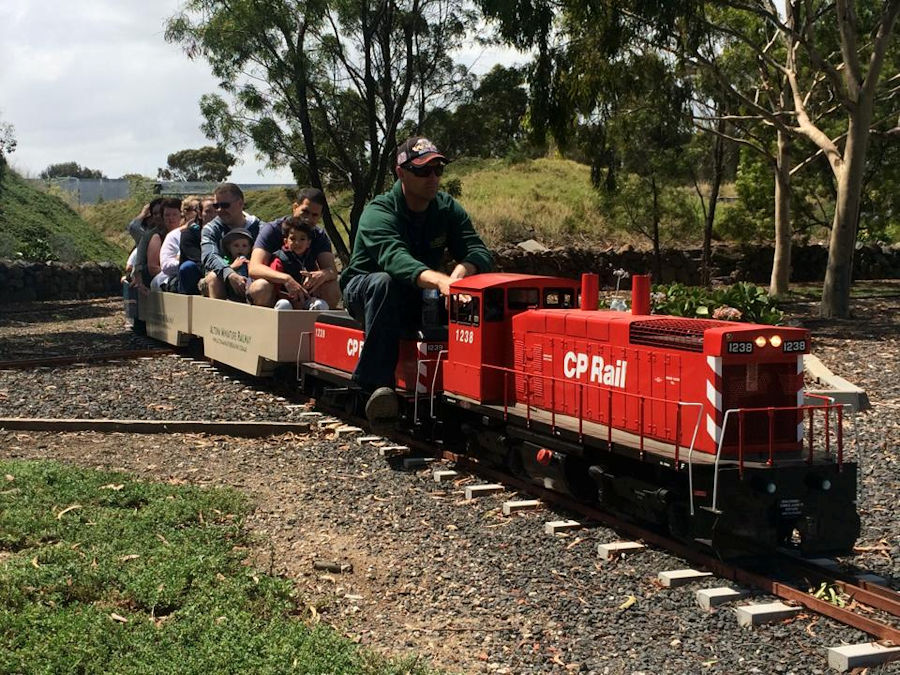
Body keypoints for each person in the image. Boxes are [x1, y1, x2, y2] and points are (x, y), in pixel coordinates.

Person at [340, 136, 493, 426]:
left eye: (438, 170)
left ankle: (471, 387)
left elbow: (477, 249)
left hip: (419, 294)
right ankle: (376, 387)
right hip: (365, 291)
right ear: (401, 173)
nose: (432, 178)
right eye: (423, 171)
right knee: (385, 282)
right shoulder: (378, 211)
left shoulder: (447, 208)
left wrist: (462, 272)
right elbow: (395, 258)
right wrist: (441, 282)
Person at [247, 187, 339, 308]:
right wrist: (286, 279)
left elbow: (332, 270)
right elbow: (254, 268)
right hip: (275, 290)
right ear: (295, 207)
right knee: (261, 287)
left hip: (305, 291)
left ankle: (317, 322)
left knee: (332, 288)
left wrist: (322, 274)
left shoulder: (319, 236)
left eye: (315, 215)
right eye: (305, 212)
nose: (309, 218)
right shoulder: (272, 230)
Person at [200, 183, 261, 301]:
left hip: (252, 278)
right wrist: (229, 274)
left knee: (263, 286)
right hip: (221, 279)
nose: (220, 210)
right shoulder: (211, 229)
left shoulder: (259, 228)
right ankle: (218, 319)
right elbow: (210, 256)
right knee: (213, 278)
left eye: (225, 205)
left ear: (240, 203)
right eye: (216, 206)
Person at [268, 217, 330, 310]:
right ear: (286, 241)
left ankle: (313, 324)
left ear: (308, 243)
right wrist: (290, 298)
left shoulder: (311, 259)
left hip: (306, 299)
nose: (297, 242)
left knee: (321, 304)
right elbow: (274, 287)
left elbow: (316, 280)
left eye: (302, 239)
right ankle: (284, 324)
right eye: (293, 239)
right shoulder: (280, 259)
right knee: (283, 305)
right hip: (285, 299)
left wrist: (315, 288)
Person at [178, 196, 215, 295]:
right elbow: (198, 260)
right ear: (199, 214)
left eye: (216, 211)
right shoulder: (189, 234)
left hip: (224, 270)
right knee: (187, 267)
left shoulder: (227, 233)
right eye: (208, 211)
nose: (214, 215)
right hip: (199, 275)